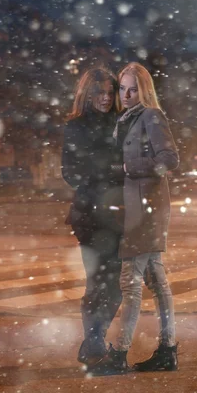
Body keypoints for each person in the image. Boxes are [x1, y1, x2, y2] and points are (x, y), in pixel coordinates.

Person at [105, 62, 180, 372]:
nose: (126, 94)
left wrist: (128, 169)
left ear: (144, 90)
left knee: (131, 283)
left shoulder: (150, 115)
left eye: (132, 88)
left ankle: (119, 354)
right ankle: (168, 350)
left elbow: (169, 159)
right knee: (156, 281)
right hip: (137, 209)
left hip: (146, 211)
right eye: (122, 88)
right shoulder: (125, 120)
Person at [61, 67, 125, 373]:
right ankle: (96, 340)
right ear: (87, 94)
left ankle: (93, 340)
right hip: (88, 214)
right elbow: (70, 173)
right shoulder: (76, 127)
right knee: (96, 281)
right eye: (99, 92)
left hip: (121, 214)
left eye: (110, 93)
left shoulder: (121, 123)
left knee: (116, 285)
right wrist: (109, 171)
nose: (105, 98)